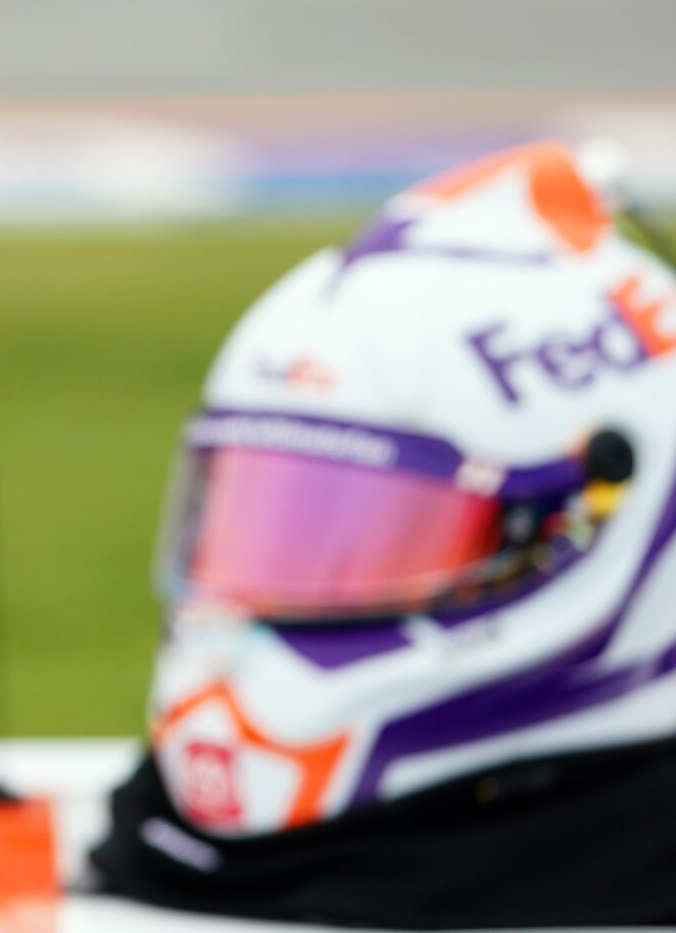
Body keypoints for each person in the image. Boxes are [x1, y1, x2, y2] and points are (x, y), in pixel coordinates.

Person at [90, 141, 676, 927]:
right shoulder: (159, 844)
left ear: (589, 530)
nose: (274, 591)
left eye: (396, 536)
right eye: (265, 520)